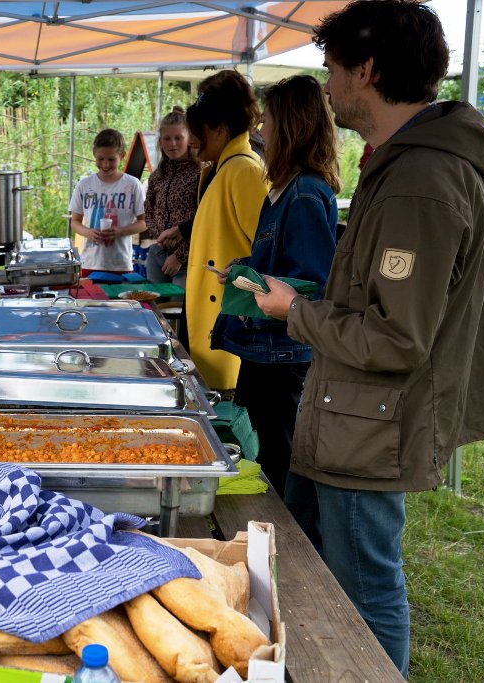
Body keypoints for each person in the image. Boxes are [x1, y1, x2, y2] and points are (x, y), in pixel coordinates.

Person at [254, 1, 484, 675]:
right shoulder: (403, 167)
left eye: (333, 69)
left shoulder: (420, 182)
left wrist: (294, 311)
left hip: (370, 426)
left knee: (365, 592)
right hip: (350, 415)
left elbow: (396, 337)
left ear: (365, 71)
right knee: (322, 575)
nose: (328, 86)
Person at [209, 75, 340, 499]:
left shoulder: (304, 194)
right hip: (266, 350)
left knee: (280, 458)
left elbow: (311, 282)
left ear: (290, 126)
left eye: (267, 119)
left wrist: (260, 282)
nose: (261, 128)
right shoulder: (284, 190)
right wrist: (245, 269)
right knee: (266, 449)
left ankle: (288, 531)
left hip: (284, 353)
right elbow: (280, 262)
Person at [184, 70, 269, 391]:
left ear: (220, 128)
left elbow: (266, 253)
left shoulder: (244, 170)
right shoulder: (222, 168)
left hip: (230, 326)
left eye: (198, 131)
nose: (192, 140)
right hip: (213, 317)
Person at [68, 128, 147, 277]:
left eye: (111, 159)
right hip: (90, 263)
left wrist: (121, 231)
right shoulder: (84, 185)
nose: (105, 164)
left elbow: (144, 222)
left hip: (120, 264)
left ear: (122, 156)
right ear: (94, 155)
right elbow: (75, 222)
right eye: (100, 159)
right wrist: (88, 232)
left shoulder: (132, 184)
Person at [143, 106, 200, 291]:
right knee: (153, 306)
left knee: (177, 306)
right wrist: (161, 236)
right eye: (167, 138)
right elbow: (149, 210)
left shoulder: (201, 172)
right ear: (160, 141)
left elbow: (205, 219)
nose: (172, 144)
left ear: (189, 139)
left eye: (178, 138)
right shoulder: (158, 175)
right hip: (158, 253)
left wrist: (180, 256)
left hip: (188, 259)